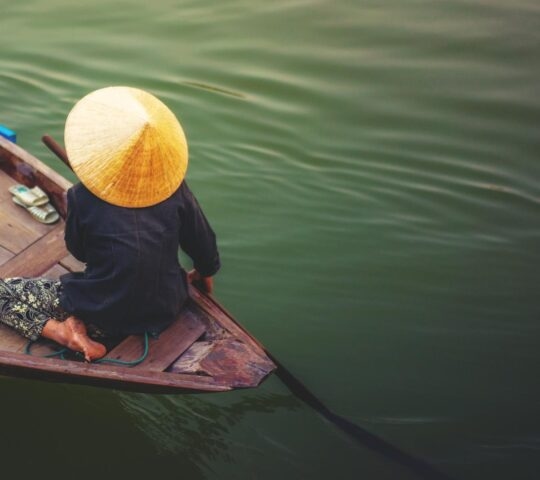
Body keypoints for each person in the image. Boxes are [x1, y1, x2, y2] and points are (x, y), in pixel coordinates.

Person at [0, 86, 220, 361]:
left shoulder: (81, 196)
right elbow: (203, 244)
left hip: (103, 311)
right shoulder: (174, 189)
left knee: (2, 294)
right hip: (168, 305)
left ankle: (62, 332)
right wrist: (203, 277)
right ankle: (77, 320)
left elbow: (79, 251)